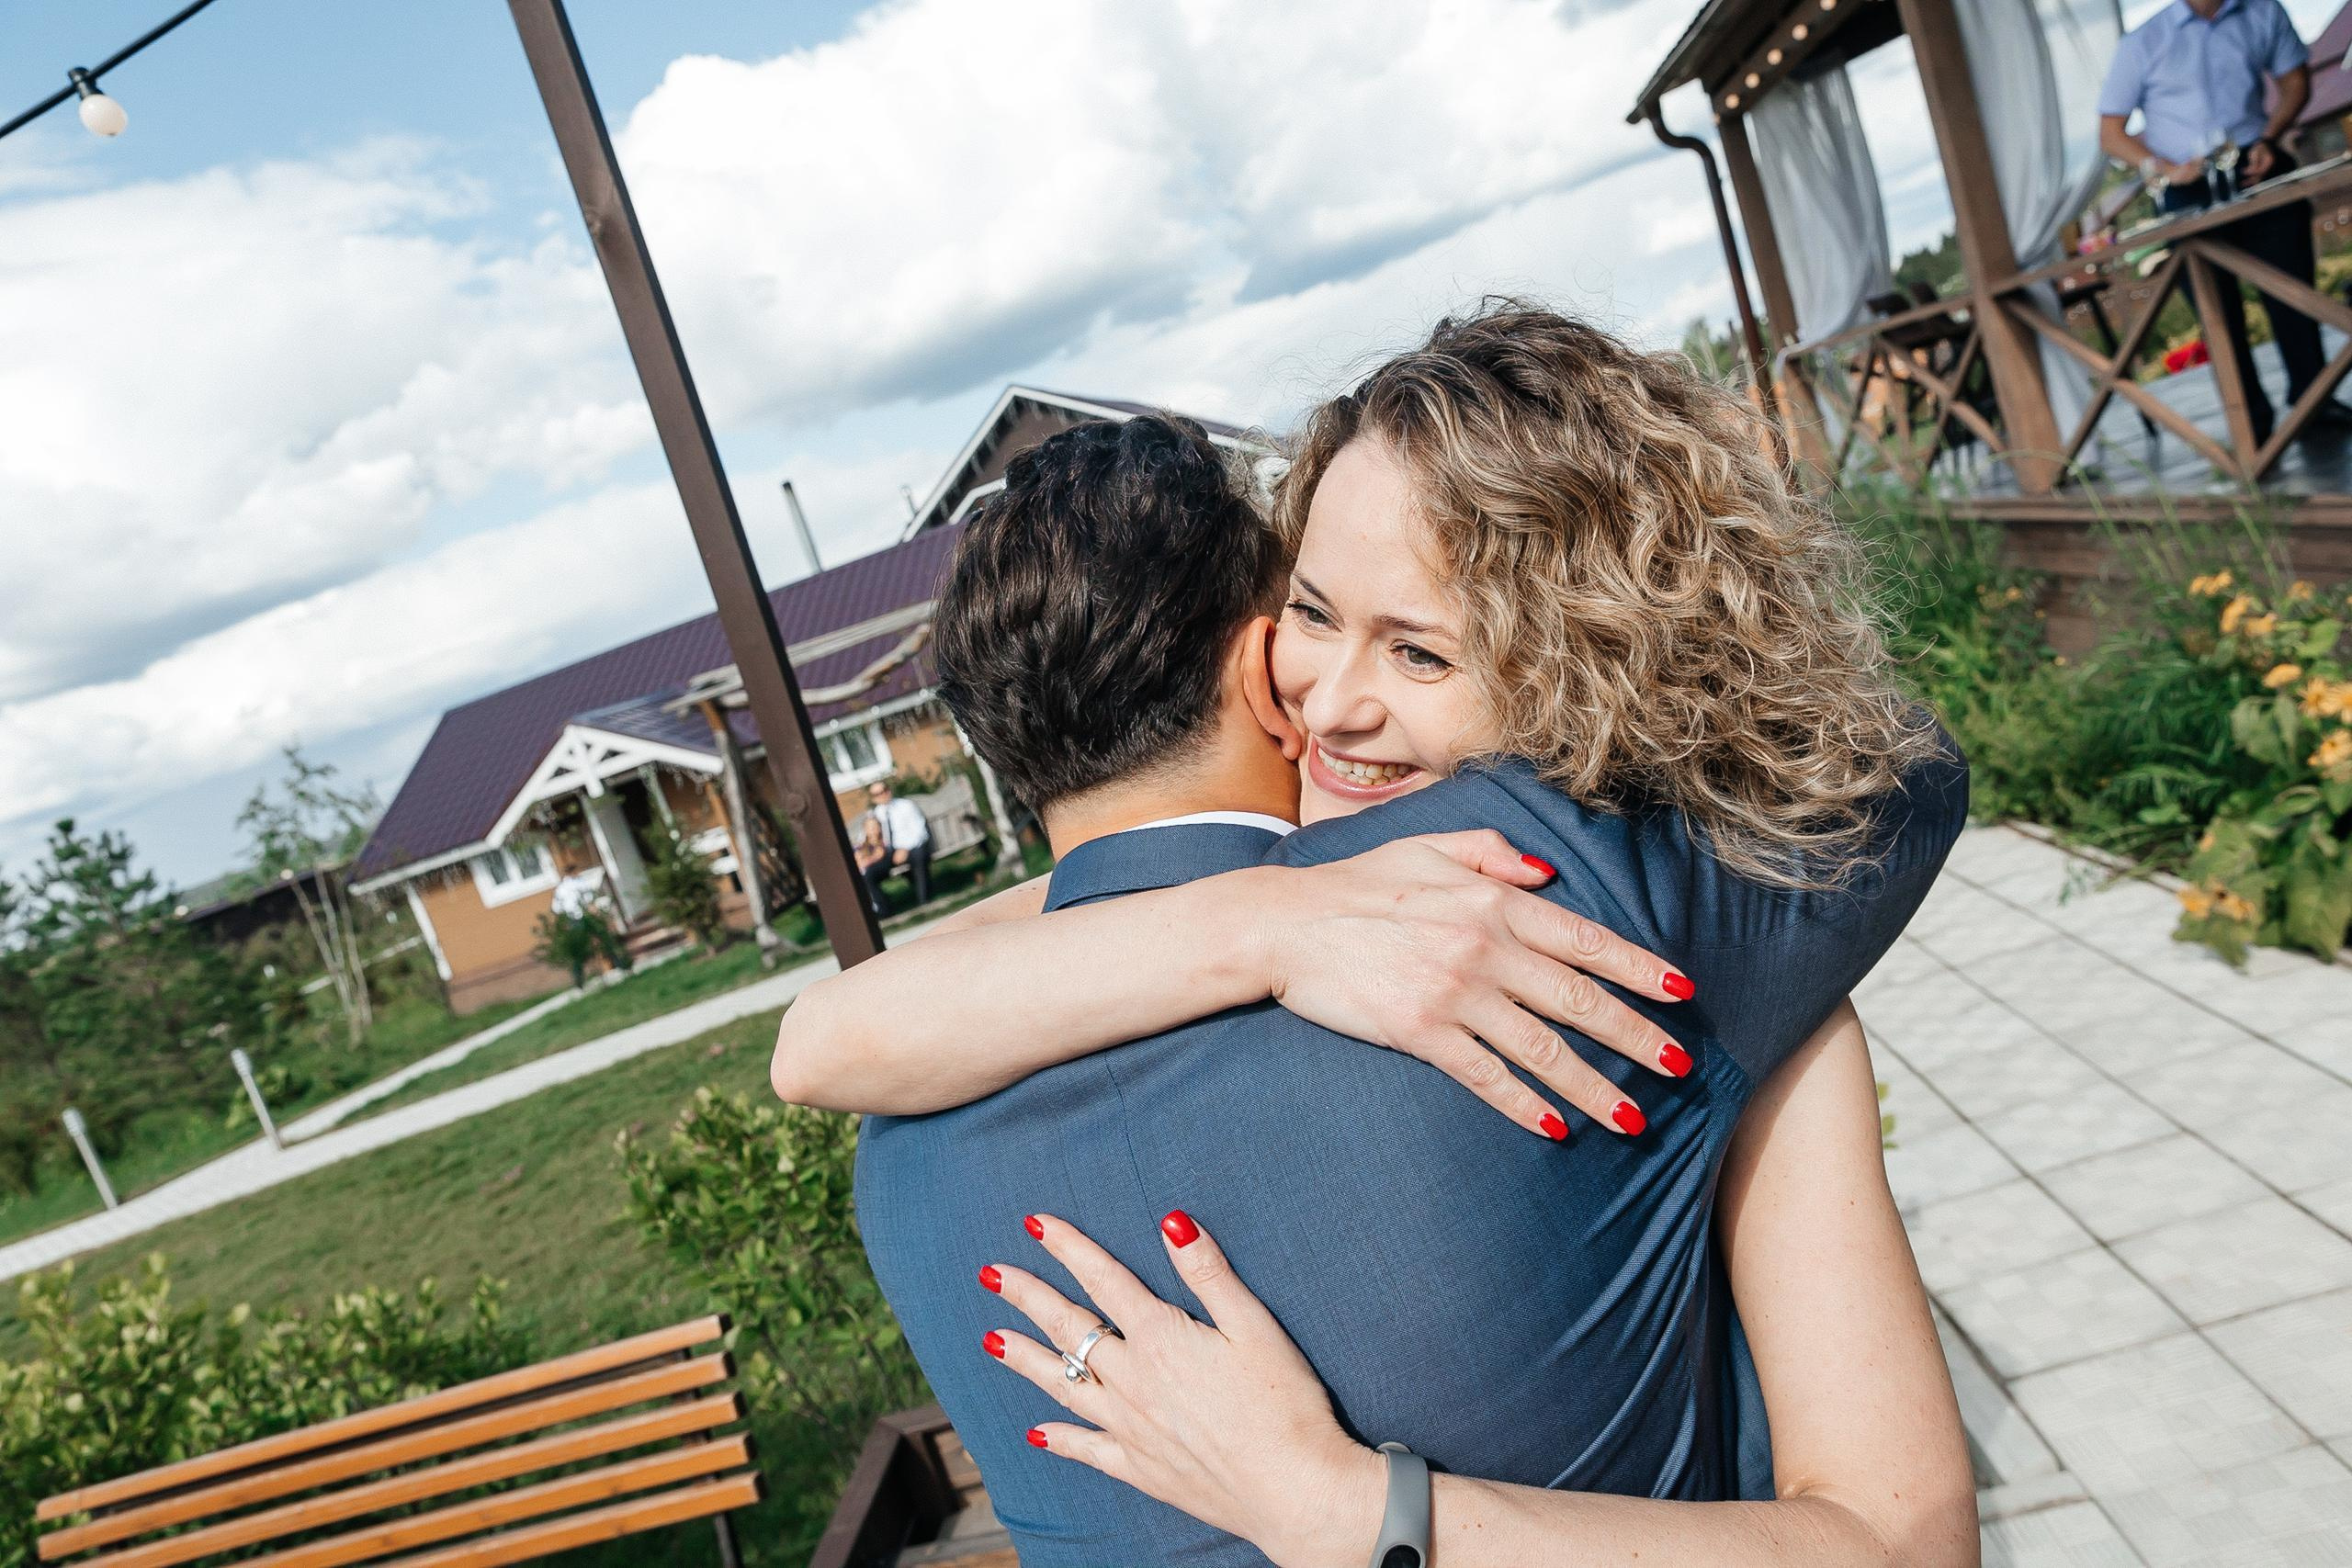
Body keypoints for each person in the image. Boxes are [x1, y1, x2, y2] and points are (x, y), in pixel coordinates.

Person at [782, 310, 1974, 1564]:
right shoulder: (1590, 897)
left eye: (1419, 647)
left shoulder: (901, 1157)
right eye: (1312, 610)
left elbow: (826, 1034)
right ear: (1257, 654)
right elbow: (1902, 770)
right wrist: (1263, 917)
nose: (1338, 704)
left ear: (1585, 649)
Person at [2098, 0, 2352, 446]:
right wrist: (2160, 169)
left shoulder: (2263, 12)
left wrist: (2272, 137)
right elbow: (2110, 132)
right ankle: (2250, 423)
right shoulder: (2143, 42)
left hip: (2257, 161)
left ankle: (2315, 401)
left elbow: (2295, 80)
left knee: (2292, 290)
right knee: (2217, 310)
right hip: (2186, 184)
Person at [859, 776, 932, 911]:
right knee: (869, 873)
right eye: (877, 794)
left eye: (884, 790)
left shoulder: (906, 806)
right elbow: (866, 837)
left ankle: (924, 903)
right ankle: (885, 910)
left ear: (889, 790)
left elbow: (920, 833)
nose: (882, 795)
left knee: (919, 856)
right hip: (888, 852)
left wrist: (904, 848)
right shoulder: (876, 813)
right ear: (873, 798)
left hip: (910, 848)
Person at [852, 813, 890, 919]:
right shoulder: (862, 845)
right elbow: (857, 857)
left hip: (876, 869)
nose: (873, 830)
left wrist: (866, 861)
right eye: (869, 828)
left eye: (875, 827)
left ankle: (881, 909)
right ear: (865, 830)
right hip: (863, 870)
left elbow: (879, 855)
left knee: (867, 878)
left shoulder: (881, 843)